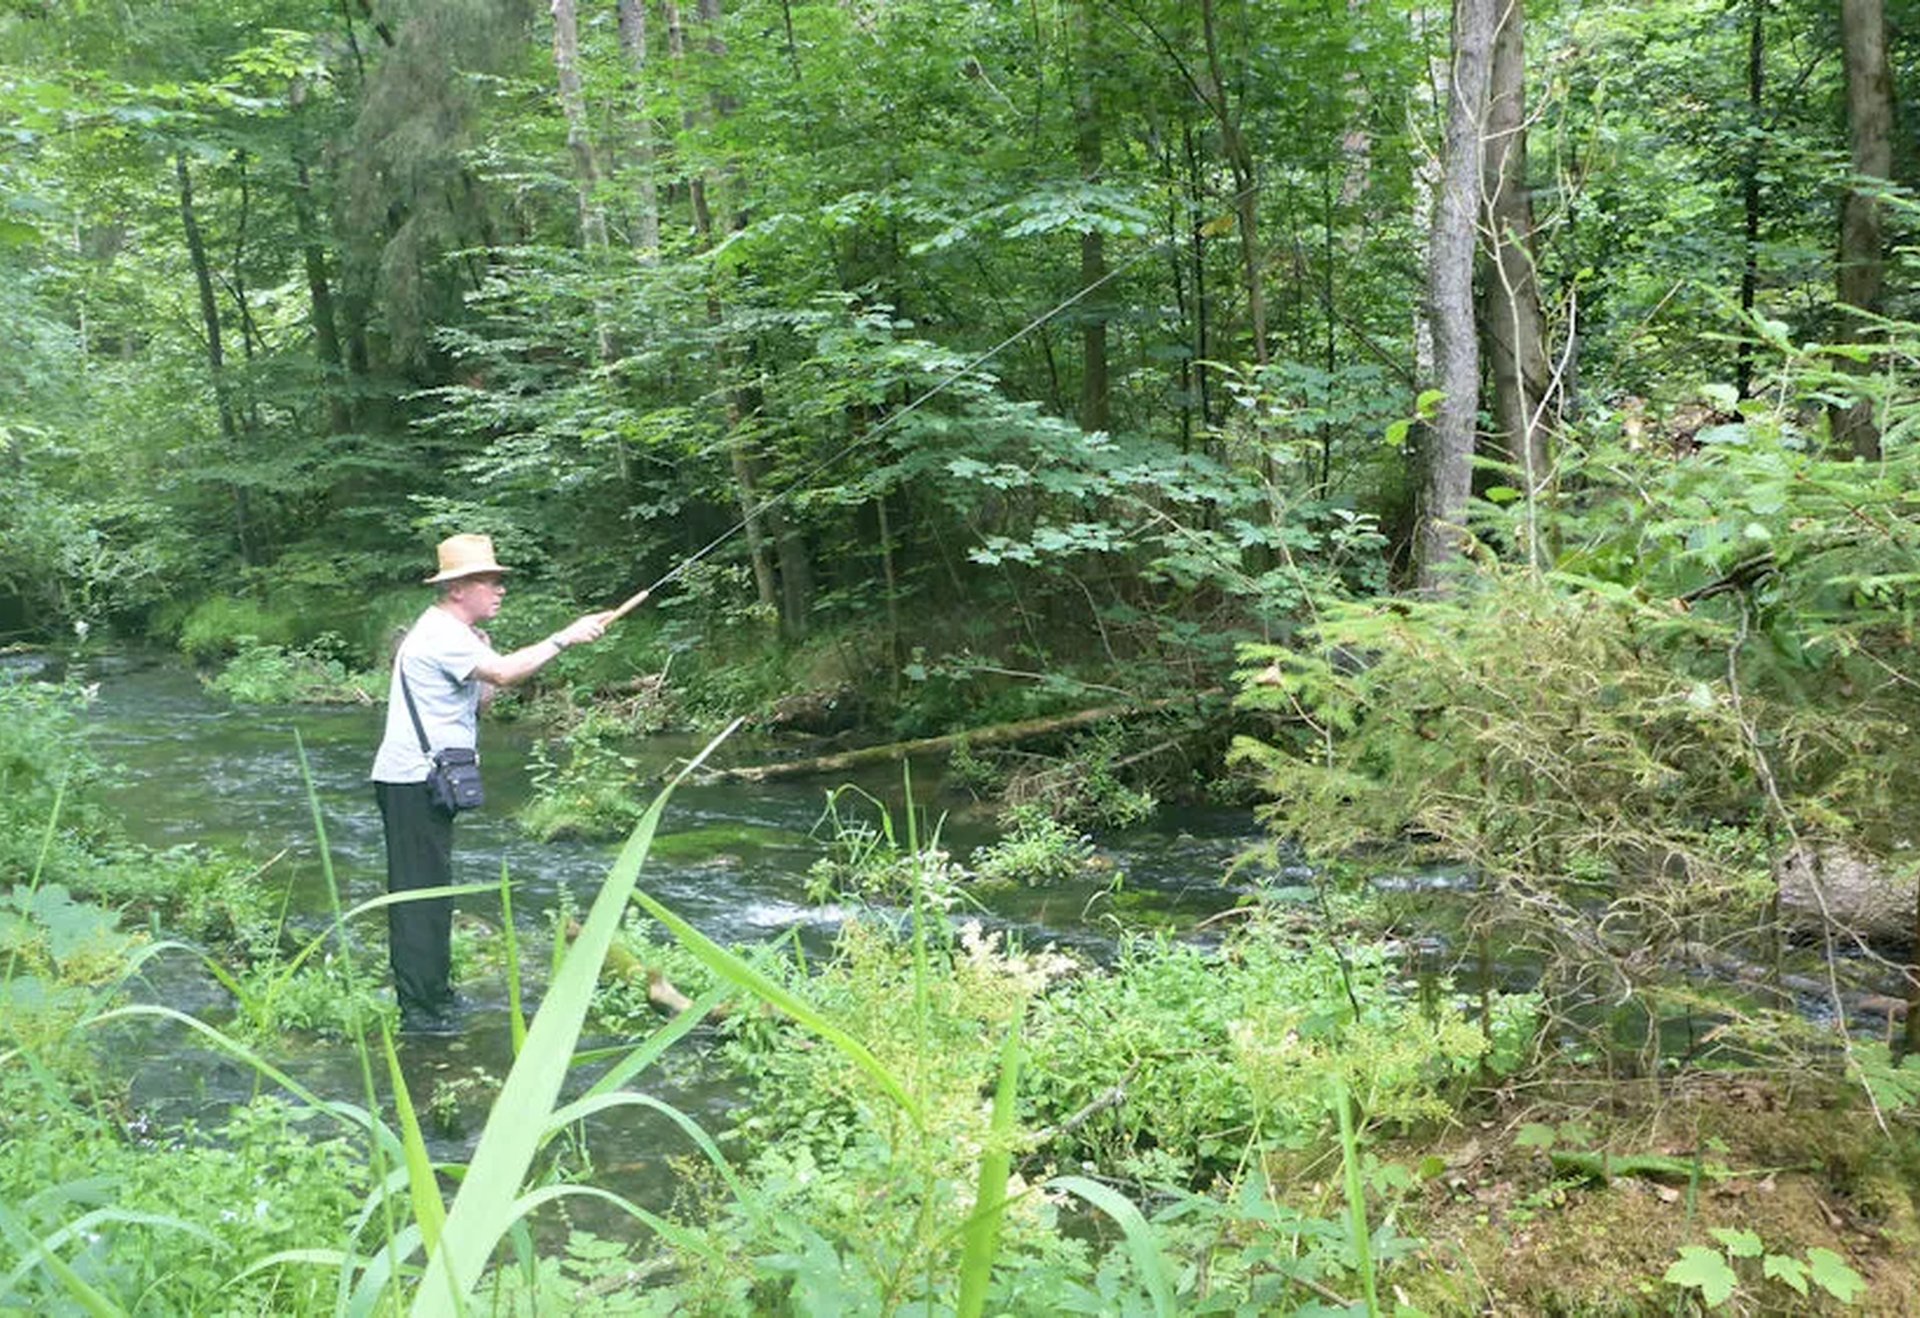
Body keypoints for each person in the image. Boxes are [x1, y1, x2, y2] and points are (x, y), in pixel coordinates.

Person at [370, 533, 613, 1033]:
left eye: (500, 581)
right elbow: (504, 675)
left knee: (433, 893)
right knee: (418, 898)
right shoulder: (440, 632)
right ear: (457, 588)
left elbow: (483, 699)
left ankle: (435, 997)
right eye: (489, 581)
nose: (500, 589)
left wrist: (484, 660)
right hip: (411, 780)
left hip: (423, 780)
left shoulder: (457, 634)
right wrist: (565, 637)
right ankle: (421, 1014)